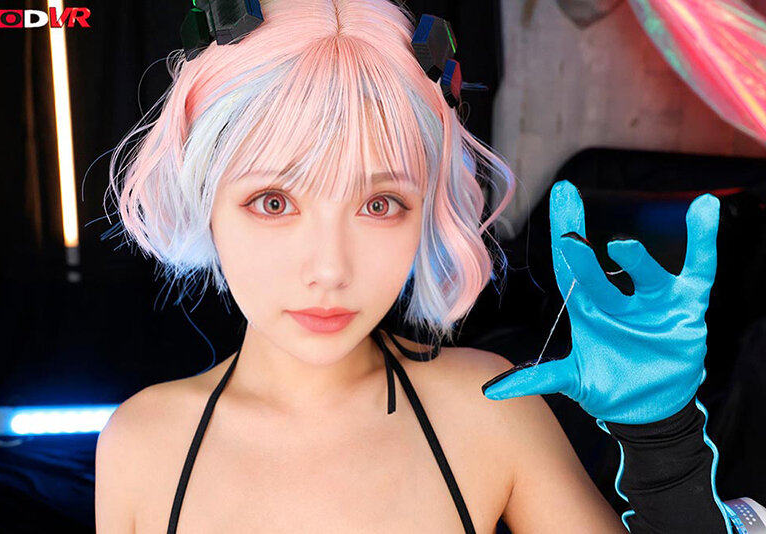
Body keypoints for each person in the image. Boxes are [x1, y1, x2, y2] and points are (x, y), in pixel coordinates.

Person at [95, 1, 733, 532]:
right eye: (274, 202)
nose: (329, 269)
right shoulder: (142, 443)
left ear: (425, 211)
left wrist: (663, 444)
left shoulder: (487, 410)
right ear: (205, 201)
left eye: (379, 204)